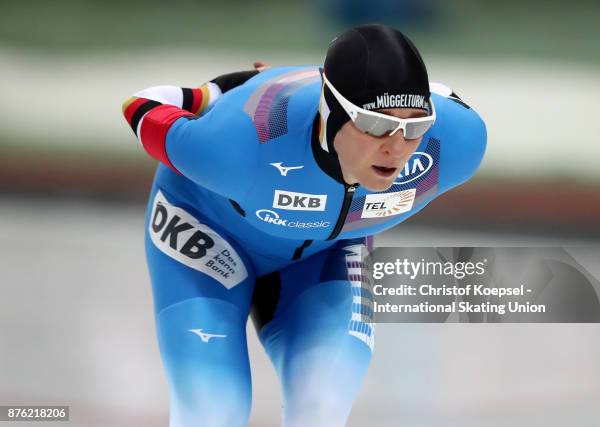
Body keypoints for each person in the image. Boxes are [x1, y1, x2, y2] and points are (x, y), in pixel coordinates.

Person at [121, 24, 486, 427]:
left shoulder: (454, 144)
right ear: (331, 112)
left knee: (320, 412)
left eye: (414, 126)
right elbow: (141, 104)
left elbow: (440, 93)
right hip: (209, 240)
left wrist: (318, 80)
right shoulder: (235, 148)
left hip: (326, 254)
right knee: (211, 413)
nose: (396, 147)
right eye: (376, 125)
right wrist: (218, 91)